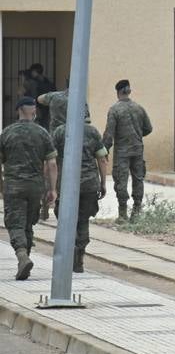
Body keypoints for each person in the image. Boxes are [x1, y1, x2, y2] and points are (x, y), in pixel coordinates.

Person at [0, 97, 58, 280]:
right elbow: (51, 164)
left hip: (14, 186)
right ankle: (24, 264)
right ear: (34, 112)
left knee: (15, 223)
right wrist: (53, 189)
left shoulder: (6, 133)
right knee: (28, 224)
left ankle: (22, 256)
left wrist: (1, 184)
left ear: (18, 111)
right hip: (35, 187)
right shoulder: (42, 133)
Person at [51, 108, 109, 274]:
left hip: (66, 183)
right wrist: (103, 183)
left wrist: (51, 186)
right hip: (89, 184)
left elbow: (51, 160)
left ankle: (70, 249)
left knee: (65, 219)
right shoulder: (93, 132)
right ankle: (80, 255)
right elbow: (102, 159)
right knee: (83, 220)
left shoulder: (60, 132)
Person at [103, 78, 153, 221]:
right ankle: (136, 211)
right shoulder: (139, 108)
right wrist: (137, 134)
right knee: (138, 179)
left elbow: (109, 134)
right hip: (137, 150)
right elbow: (148, 128)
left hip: (122, 153)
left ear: (118, 92)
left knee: (121, 180)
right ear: (129, 91)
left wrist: (104, 150)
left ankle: (122, 214)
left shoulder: (114, 110)